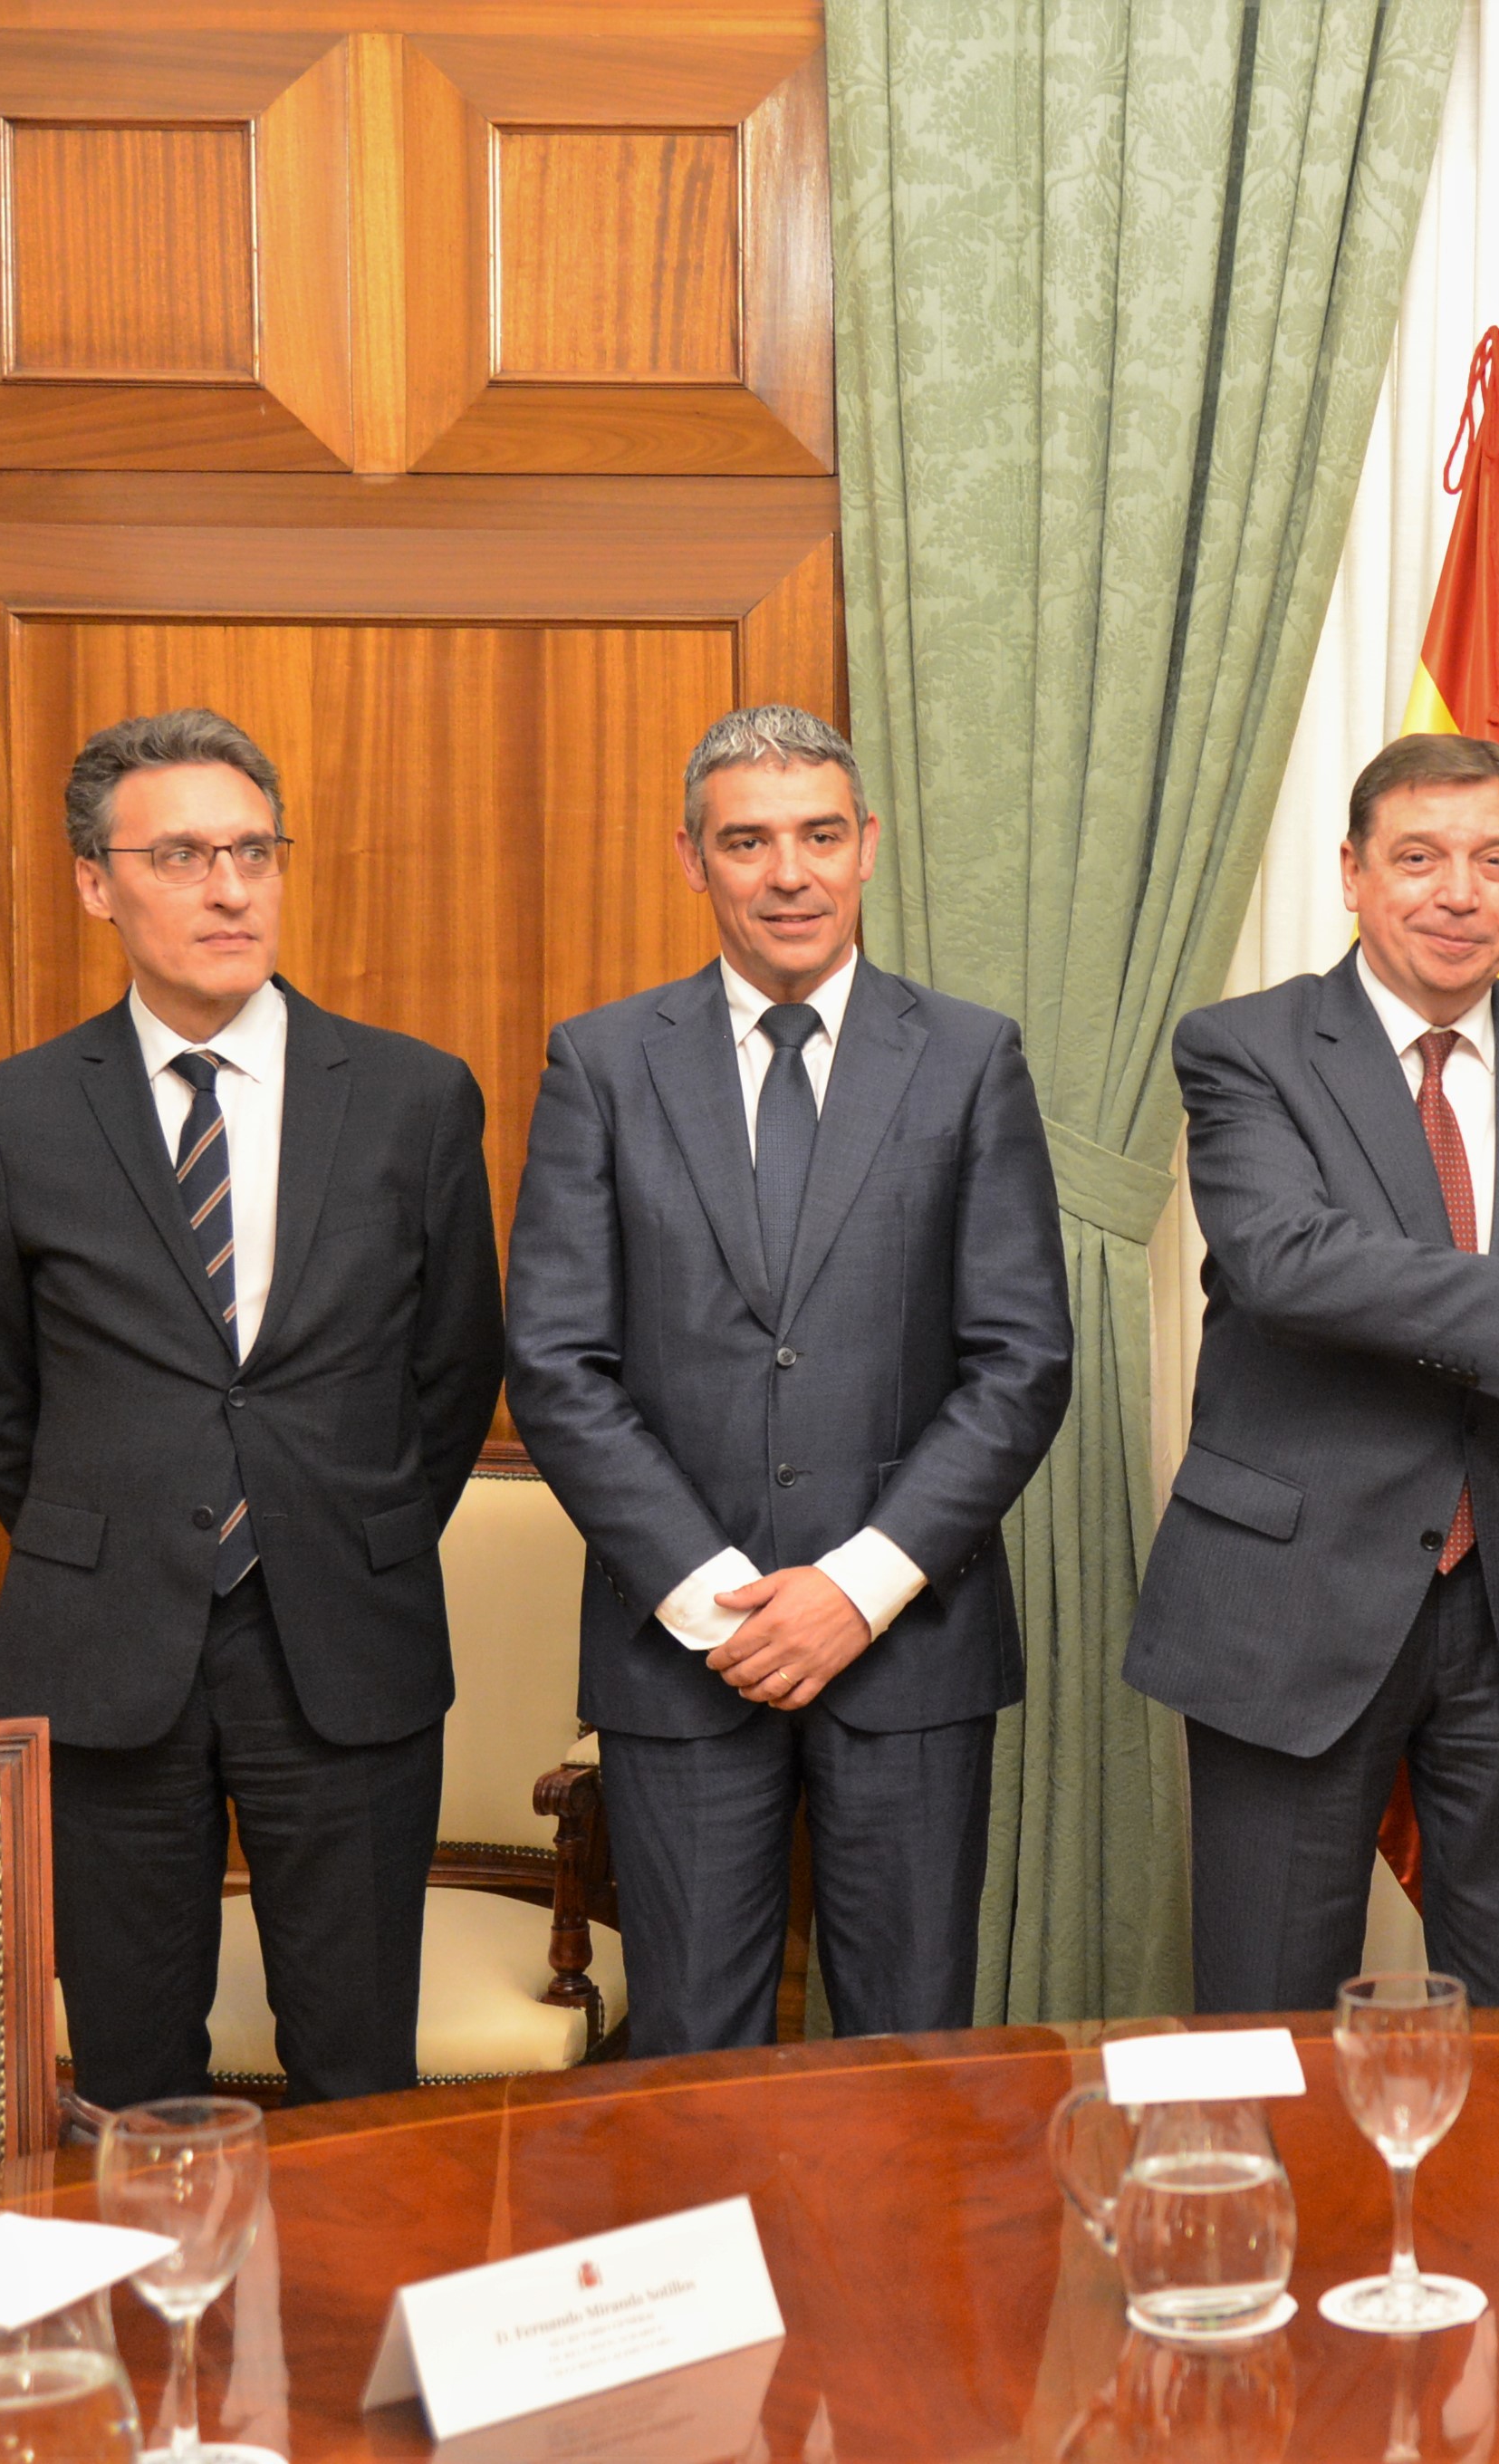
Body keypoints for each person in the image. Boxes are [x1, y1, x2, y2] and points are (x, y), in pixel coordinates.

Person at [0, 708, 505, 2106]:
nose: (230, 888)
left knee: (359, 2076)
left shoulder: (416, 1098)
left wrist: (339, 1528)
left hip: (346, 1641)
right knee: (134, 2081)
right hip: (105, 1647)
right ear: (96, 882)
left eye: (254, 851)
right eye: (181, 857)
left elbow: (454, 1370)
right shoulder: (13, 1116)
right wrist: (120, 1532)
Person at [505, 704, 1071, 2054]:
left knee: (907, 2057)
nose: (789, 874)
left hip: (911, 1644)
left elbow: (1020, 1359)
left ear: (866, 845)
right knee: (694, 2056)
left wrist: (855, 1589)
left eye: (819, 836)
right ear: (691, 859)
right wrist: (722, 1606)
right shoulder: (603, 1063)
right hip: (682, 1652)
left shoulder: (969, 1057)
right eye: (747, 841)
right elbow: (557, 1363)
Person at [1126, 733, 1499, 2012]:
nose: (1460, 894)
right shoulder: (1246, 1047)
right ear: (1352, 873)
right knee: (1270, 2018)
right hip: (1290, 1604)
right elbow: (1294, 1264)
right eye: (1421, 858)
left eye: (1496, 862)